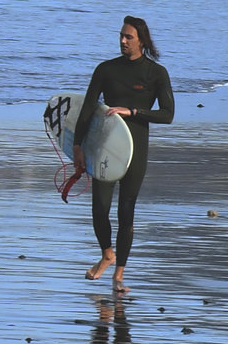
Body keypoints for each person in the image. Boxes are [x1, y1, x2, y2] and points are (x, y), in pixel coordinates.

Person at [73, 16, 174, 293]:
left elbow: (168, 114)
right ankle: (107, 253)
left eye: (128, 37)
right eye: (121, 36)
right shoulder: (105, 70)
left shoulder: (156, 73)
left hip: (136, 151)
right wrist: (78, 146)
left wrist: (133, 112)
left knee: (126, 212)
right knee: (99, 209)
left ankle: (119, 274)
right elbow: (87, 110)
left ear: (142, 40)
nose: (122, 41)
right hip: (105, 148)